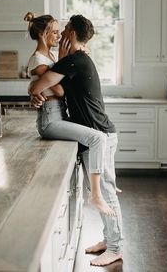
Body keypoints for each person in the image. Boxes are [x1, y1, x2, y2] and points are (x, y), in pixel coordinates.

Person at [29, 14, 123, 266]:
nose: (60, 35)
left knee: (107, 194)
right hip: (96, 133)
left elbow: (39, 85)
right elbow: (43, 86)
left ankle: (115, 248)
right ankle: (109, 239)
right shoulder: (76, 60)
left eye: (64, 29)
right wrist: (37, 92)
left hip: (99, 134)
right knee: (105, 192)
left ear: (71, 33)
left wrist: (34, 92)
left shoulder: (73, 61)